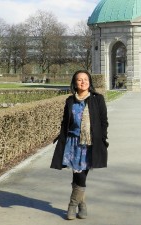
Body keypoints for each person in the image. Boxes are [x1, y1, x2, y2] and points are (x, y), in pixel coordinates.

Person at [50, 70, 109, 220]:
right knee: (77, 175)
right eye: (79, 80)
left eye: (85, 79)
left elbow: (103, 122)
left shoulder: (98, 99)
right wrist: (61, 139)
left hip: (90, 144)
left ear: (90, 81)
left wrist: (102, 139)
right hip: (73, 143)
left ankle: (72, 205)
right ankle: (82, 205)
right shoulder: (70, 101)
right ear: (75, 83)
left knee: (81, 175)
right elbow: (65, 122)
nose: (83, 82)